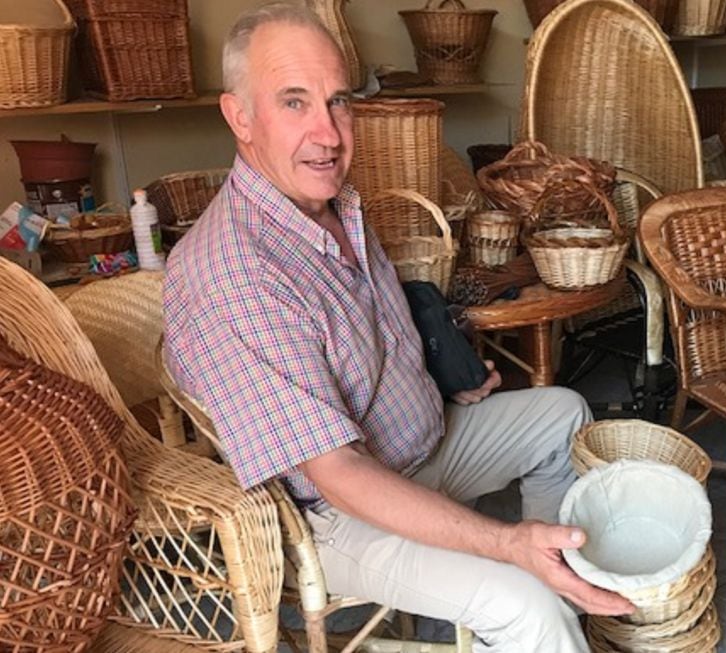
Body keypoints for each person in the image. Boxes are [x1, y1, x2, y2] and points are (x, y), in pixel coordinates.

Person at [162, 3, 634, 650]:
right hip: (338, 515)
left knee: (563, 414)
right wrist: (502, 542)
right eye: (294, 102)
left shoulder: (338, 204)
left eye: (338, 102)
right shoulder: (234, 272)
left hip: (422, 441)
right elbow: (338, 473)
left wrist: (445, 376)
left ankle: (554, 579)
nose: (328, 134)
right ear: (238, 115)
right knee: (523, 605)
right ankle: (540, 604)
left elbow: (375, 328)